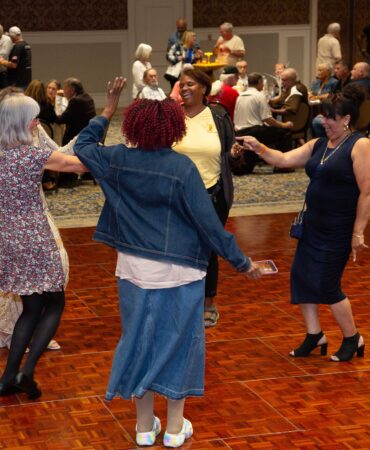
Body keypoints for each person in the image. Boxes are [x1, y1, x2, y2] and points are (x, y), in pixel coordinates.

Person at [73, 76, 262, 448]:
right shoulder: (182, 169)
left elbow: (83, 145)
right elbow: (210, 226)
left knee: (139, 341)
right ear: (174, 129)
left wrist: (107, 109)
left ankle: (145, 428)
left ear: (134, 127)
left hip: (132, 270)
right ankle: (175, 429)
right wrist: (243, 263)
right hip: (181, 271)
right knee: (181, 343)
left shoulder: (117, 160)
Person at [0, 94, 86, 399]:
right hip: (35, 238)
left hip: (7, 240)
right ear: (22, 122)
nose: (37, 123)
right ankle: (26, 372)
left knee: (32, 307)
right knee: (54, 303)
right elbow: (78, 165)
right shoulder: (33, 156)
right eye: (34, 118)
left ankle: (7, 378)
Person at [239, 83, 370, 362]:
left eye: (330, 117)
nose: (324, 121)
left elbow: (367, 191)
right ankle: (315, 335)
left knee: (326, 284)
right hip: (312, 224)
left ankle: (352, 337)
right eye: (324, 116)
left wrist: (358, 232)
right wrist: (258, 147)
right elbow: (284, 158)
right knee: (301, 277)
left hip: (338, 227)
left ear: (346, 119)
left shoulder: (360, 145)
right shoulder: (320, 144)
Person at [0, 86, 74, 351]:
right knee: (18, 271)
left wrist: (88, 137)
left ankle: (36, 330)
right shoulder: (1, 136)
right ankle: (15, 332)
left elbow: (61, 153)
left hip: (35, 205)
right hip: (5, 208)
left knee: (53, 264)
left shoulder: (36, 129)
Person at [172, 68, 241, 328]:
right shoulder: (173, 117)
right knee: (180, 248)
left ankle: (208, 303)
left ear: (204, 88)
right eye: (181, 85)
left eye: (190, 84)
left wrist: (235, 154)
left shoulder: (218, 115)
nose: (185, 88)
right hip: (178, 195)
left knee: (208, 248)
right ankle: (182, 300)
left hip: (213, 193)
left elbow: (231, 155)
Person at [234, 72, 293, 174]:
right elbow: (268, 120)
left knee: (246, 169)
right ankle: (283, 166)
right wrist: (284, 125)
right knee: (285, 132)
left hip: (239, 133)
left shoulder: (240, 96)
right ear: (260, 82)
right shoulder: (259, 96)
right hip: (255, 132)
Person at [54, 77, 96, 145]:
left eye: (65, 88)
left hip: (76, 139)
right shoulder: (87, 97)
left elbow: (61, 120)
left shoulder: (76, 101)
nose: (63, 91)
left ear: (72, 90)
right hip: (89, 134)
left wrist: (58, 98)